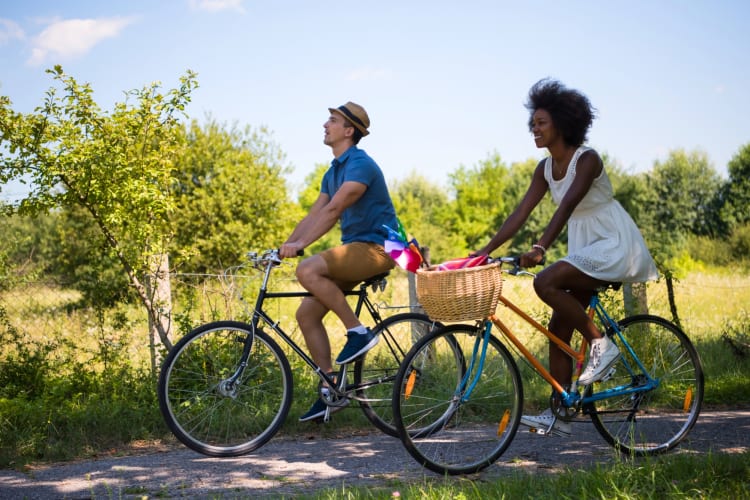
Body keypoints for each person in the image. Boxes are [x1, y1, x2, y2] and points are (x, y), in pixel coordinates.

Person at [472, 79, 658, 436]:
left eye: (541, 122)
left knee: (546, 280)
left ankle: (601, 345)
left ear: (561, 123)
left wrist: (541, 247)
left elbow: (568, 205)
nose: (534, 129)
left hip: (612, 242)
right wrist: (484, 251)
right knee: (558, 330)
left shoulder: (587, 159)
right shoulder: (543, 169)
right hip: (584, 246)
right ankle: (559, 412)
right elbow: (519, 214)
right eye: (533, 124)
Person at [279, 101, 398, 422]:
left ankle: (358, 332)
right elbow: (315, 212)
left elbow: (333, 212)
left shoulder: (361, 164)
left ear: (349, 131)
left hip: (381, 247)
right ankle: (331, 389)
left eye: (331, 120)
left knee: (308, 269)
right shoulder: (333, 172)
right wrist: (284, 247)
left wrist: (302, 247)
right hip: (357, 248)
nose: (324, 125)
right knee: (306, 314)